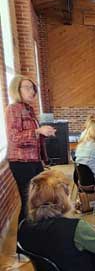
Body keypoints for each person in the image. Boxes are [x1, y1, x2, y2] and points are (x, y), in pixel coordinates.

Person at [6, 74, 56, 246]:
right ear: (16, 89)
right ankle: (23, 243)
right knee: (29, 201)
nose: (31, 90)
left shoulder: (29, 109)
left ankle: (35, 237)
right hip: (21, 162)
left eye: (32, 87)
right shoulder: (13, 109)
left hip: (33, 161)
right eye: (27, 87)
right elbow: (14, 138)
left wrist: (44, 133)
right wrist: (37, 132)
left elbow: (33, 138)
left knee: (38, 199)